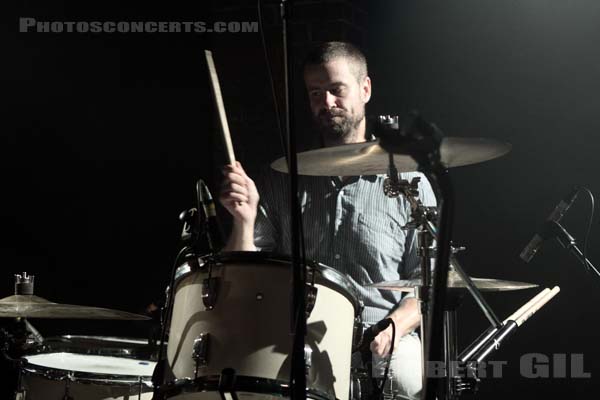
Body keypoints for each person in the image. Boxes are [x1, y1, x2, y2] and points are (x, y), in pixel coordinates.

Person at [219, 41, 436, 400]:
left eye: (336, 90)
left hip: (378, 337)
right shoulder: (282, 178)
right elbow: (244, 275)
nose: (326, 103)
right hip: (295, 337)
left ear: (365, 89)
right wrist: (243, 219)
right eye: (316, 93)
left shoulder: (409, 182)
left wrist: (395, 327)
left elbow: (426, 281)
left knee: (409, 377)